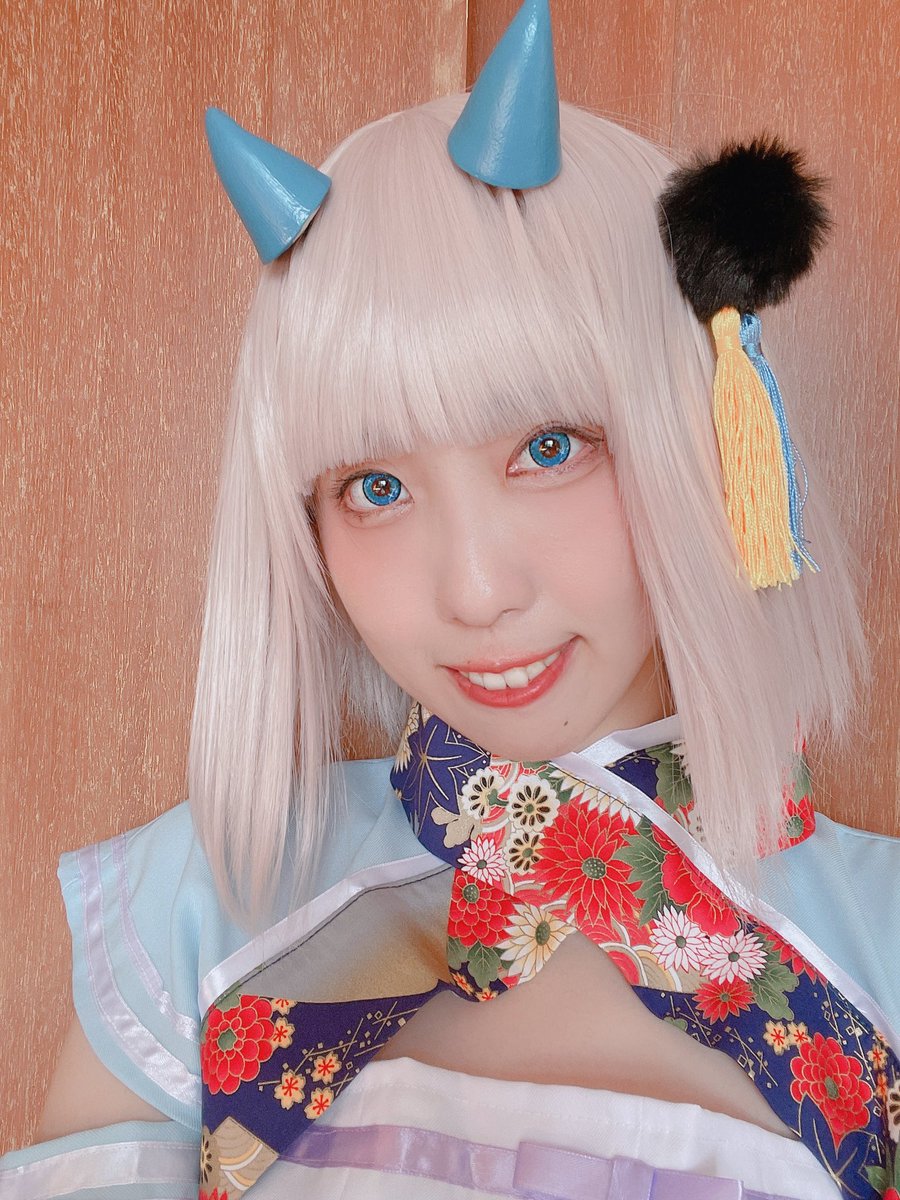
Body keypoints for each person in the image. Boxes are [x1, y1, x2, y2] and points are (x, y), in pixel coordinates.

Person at [2, 3, 897, 1198]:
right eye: (375, 487)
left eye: (550, 447)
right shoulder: (200, 909)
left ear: (711, 431)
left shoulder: (885, 947)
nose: (475, 589)